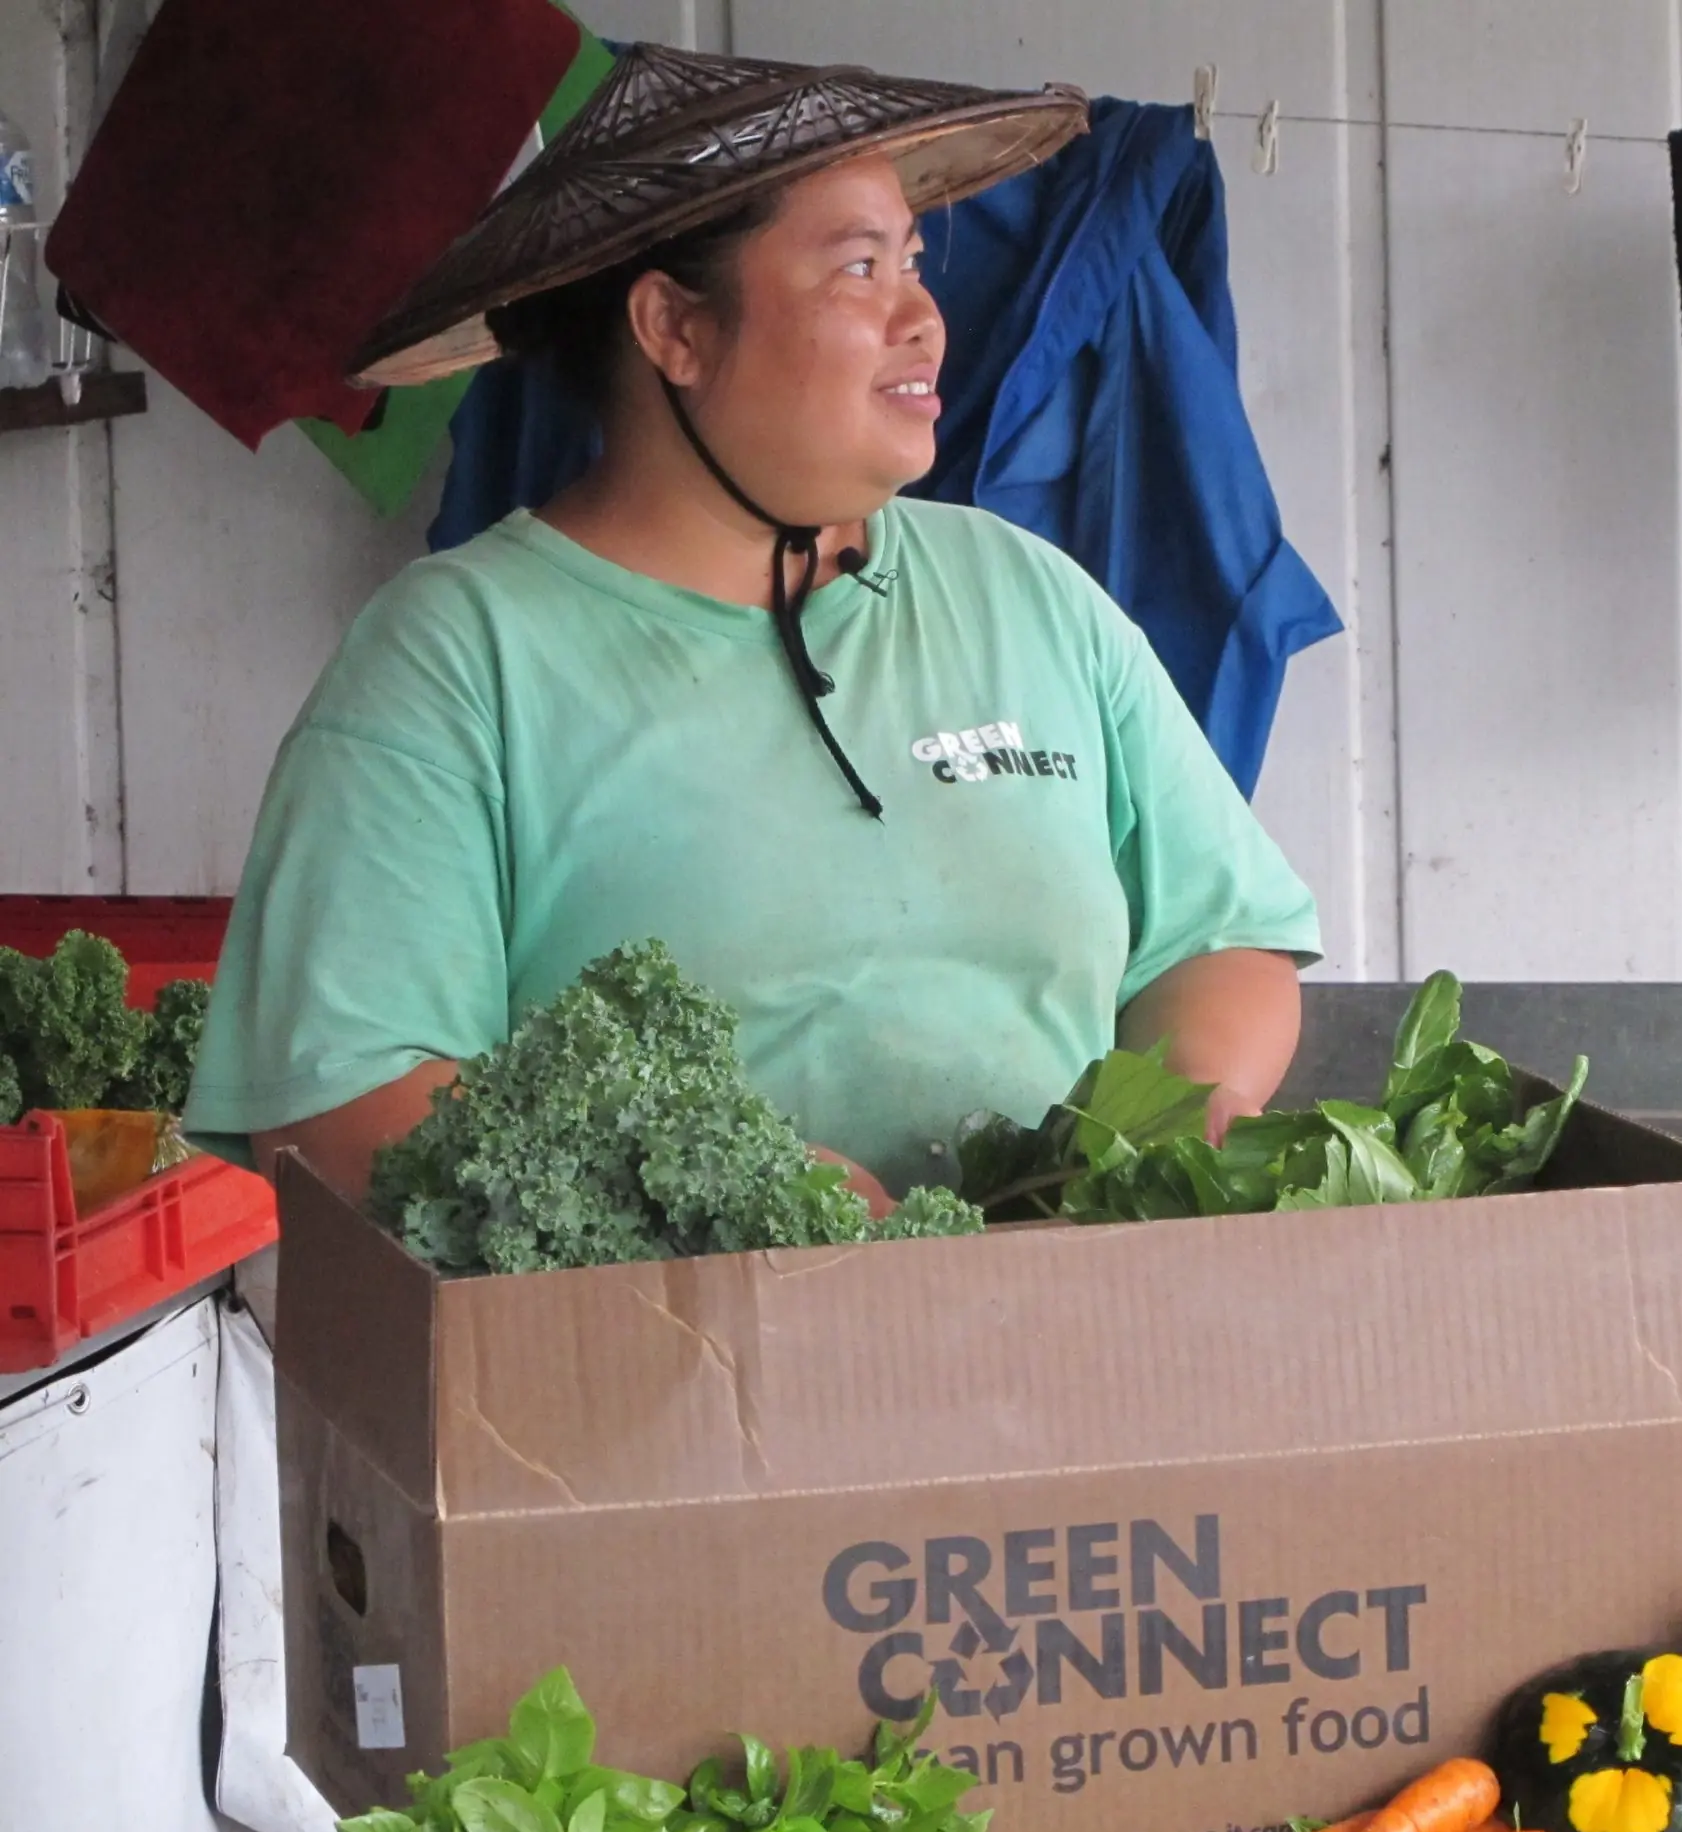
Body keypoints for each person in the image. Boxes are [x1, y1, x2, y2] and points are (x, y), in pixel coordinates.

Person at [185, 47, 1321, 1210]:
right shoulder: (456, 660)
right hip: (659, 1371)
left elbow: (1218, 935)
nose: (924, 319)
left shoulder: (1026, 593)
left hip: (1054, 1340)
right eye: (859, 269)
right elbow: (344, 1094)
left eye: (914, 263)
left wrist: (1163, 1131)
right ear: (675, 328)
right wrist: (713, 1191)